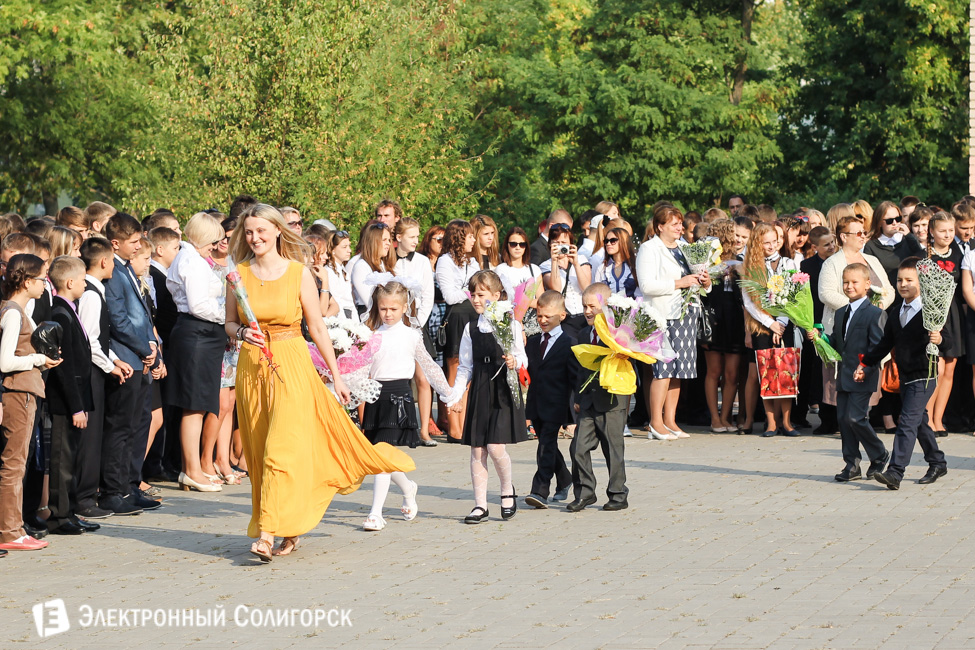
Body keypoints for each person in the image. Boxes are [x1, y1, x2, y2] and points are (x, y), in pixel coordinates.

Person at [224, 203, 415, 561]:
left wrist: (337, 376)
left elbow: (316, 328)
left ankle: (265, 535)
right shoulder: (239, 274)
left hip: (292, 364)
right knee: (260, 451)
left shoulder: (298, 273)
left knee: (281, 450)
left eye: (261, 231)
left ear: (278, 230)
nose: (255, 238)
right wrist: (240, 335)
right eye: (249, 232)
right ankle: (289, 526)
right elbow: (229, 324)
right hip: (253, 369)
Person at [360, 280, 454, 531]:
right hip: (375, 397)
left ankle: (375, 513)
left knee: (382, 456)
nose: (388, 314)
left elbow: (430, 367)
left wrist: (448, 394)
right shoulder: (371, 335)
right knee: (382, 456)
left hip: (399, 396)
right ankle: (408, 487)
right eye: (383, 309)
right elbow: (359, 367)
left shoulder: (412, 335)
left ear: (404, 307)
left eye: (393, 309)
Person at [856, 258, 950, 489]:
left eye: (909, 280)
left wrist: (940, 340)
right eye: (900, 280)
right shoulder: (896, 312)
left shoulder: (931, 311)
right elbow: (884, 344)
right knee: (918, 423)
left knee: (907, 421)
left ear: (922, 282)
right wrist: (865, 363)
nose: (903, 284)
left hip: (925, 375)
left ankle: (895, 472)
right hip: (906, 376)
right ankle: (937, 461)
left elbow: (948, 342)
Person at [449, 270, 527, 523]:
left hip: (502, 388)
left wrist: (515, 361)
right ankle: (480, 505)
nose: (476, 299)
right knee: (478, 449)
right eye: (473, 294)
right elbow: (465, 366)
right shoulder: (472, 327)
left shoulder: (510, 324)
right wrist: (456, 395)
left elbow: (522, 355)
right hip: (481, 388)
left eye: (481, 294)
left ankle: (507, 490)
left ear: (496, 295)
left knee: (495, 446)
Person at [0, 254, 60, 550]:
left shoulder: (20, 310)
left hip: (27, 391)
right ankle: (10, 532)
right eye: (40, 279)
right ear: (26, 281)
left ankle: (14, 527)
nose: (44, 284)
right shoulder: (13, 312)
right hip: (17, 394)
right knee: (14, 465)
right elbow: (5, 360)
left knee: (18, 464)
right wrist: (38, 359)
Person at [635, 204, 711, 439]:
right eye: (675, 224)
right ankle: (655, 422)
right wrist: (681, 283)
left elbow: (699, 284)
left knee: (680, 370)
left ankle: (670, 420)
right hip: (662, 315)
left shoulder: (686, 248)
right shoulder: (649, 249)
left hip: (686, 313)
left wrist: (706, 281)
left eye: (680, 223)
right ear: (660, 226)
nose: (680, 227)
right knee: (663, 370)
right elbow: (646, 285)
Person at [165, 213, 228, 492]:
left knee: (201, 403)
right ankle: (191, 469)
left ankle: (196, 468)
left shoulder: (195, 258)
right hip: (197, 333)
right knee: (194, 404)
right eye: (214, 241)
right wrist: (227, 317)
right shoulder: (190, 260)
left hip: (205, 335)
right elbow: (198, 305)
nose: (216, 246)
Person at [102, 213, 159, 515]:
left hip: (139, 357)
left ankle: (129, 485)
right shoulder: (114, 271)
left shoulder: (125, 268)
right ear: (116, 243)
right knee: (120, 428)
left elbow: (142, 316)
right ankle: (113, 490)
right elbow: (118, 319)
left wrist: (153, 349)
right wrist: (141, 347)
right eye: (134, 242)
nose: (138, 247)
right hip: (125, 356)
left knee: (137, 424)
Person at [819, 216, 895, 425]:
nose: (863, 237)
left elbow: (889, 290)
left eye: (864, 233)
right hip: (843, 327)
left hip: (871, 326)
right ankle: (843, 422)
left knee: (868, 368)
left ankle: (863, 418)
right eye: (858, 233)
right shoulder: (831, 263)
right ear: (843, 237)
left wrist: (876, 308)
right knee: (841, 376)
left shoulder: (872, 260)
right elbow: (826, 294)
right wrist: (856, 308)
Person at [76, 239, 132, 520]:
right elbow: (88, 342)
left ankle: (89, 494)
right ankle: (84, 498)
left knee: (97, 434)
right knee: (90, 437)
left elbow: (99, 339)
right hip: (91, 374)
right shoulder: (90, 295)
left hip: (101, 368)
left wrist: (115, 360)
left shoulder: (95, 292)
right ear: (103, 262)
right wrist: (109, 366)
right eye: (111, 259)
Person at [818, 263, 888, 482]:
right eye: (845, 282)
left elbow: (877, 347)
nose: (849, 286)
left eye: (854, 282)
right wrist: (821, 338)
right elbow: (839, 344)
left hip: (863, 375)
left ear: (867, 284)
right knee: (843, 420)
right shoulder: (840, 313)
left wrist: (865, 367)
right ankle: (852, 464)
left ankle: (879, 454)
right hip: (845, 374)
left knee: (856, 418)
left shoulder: (875, 313)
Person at [45, 256, 97, 535]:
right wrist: (77, 407)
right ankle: (58, 516)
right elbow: (65, 368)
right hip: (65, 403)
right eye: (82, 279)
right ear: (69, 282)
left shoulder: (69, 309)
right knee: (62, 460)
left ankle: (70, 512)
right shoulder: (59, 314)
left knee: (72, 458)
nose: (85, 283)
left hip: (75, 400)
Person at [567, 283, 628, 512]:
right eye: (584, 306)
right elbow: (580, 368)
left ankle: (618, 494)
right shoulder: (583, 333)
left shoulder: (619, 332)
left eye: (592, 306)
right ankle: (585, 492)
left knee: (613, 449)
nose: (587, 311)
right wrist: (577, 396)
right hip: (588, 401)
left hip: (612, 399)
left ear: (605, 306)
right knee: (578, 447)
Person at [740, 222, 799, 437]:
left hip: (784, 323)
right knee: (768, 373)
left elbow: (793, 295)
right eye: (767, 243)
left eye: (775, 241)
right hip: (762, 326)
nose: (772, 246)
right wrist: (770, 323)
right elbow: (749, 301)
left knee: (786, 373)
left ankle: (787, 421)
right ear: (757, 244)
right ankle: (771, 422)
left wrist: (781, 323)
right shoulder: (751, 268)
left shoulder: (788, 263)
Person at [523, 291, 575, 509]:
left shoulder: (570, 343)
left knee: (546, 446)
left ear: (562, 316)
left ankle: (540, 490)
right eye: (539, 315)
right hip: (536, 403)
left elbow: (574, 378)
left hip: (557, 404)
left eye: (548, 316)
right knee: (547, 443)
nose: (542, 320)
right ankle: (564, 478)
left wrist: (573, 413)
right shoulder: (533, 342)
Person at [391, 217, 438, 445]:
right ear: (398, 237)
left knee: (422, 378)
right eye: (411, 236)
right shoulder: (388, 259)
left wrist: (417, 322)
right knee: (396, 376)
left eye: (417, 237)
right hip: (392, 324)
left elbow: (428, 295)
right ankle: (398, 427)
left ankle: (425, 431)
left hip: (415, 324)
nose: (415, 241)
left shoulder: (421, 261)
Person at [436, 219, 478, 441]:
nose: (473, 240)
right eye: (470, 236)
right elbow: (450, 296)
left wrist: (470, 292)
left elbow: (482, 288)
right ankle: (454, 427)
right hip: (457, 318)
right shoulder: (444, 261)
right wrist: (471, 292)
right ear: (460, 237)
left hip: (473, 317)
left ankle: (466, 424)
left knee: (469, 373)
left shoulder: (473, 263)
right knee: (454, 372)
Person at [924, 211, 964, 435]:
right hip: (934, 316)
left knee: (950, 368)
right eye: (942, 231)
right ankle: (927, 418)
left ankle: (938, 420)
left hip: (954, 315)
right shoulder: (925, 255)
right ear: (932, 231)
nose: (948, 235)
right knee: (935, 370)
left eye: (951, 230)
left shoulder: (958, 252)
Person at [701, 219, 743, 433]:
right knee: (713, 371)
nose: (737, 238)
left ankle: (726, 417)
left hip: (735, 318)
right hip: (714, 317)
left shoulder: (741, 260)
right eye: (734, 234)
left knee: (732, 373)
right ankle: (715, 419)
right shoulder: (706, 260)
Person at [799, 227, 837, 434]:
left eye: (832, 242)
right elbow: (805, 297)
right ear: (814, 247)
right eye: (826, 244)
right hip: (814, 323)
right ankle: (812, 415)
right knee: (813, 371)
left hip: (834, 320)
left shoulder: (840, 261)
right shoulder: (807, 266)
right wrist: (809, 323)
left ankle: (834, 418)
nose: (831, 246)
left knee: (832, 371)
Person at [541, 222, 591, 335]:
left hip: (585, 316)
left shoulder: (581, 259)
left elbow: (586, 288)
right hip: (565, 319)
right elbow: (556, 290)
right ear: (550, 244)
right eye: (556, 243)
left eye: (563, 243)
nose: (560, 247)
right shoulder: (545, 266)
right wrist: (554, 262)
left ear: (571, 244)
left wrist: (576, 264)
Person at [494, 226, 542, 336]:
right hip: (510, 320)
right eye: (513, 244)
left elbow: (541, 300)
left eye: (522, 244)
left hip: (533, 323)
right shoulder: (501, 269)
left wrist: (524, 302)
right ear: (507, 245)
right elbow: (502, 299)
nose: (518, 247)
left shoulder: (534, 269)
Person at [863, 201, 923, 287]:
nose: (895, 223)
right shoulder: (871, 246)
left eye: (898, 219)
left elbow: (921, 257)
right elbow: (869, 275)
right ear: (880, 222)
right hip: (887, 293)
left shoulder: (907, 239)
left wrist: (909, 236)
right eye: (889, 221)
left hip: (911, 292)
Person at [350, 223, 396, 320]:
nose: (388, 243)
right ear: (373, 241)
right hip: (371, 317)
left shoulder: (383, 264)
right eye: (384, 240)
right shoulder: (361, 266)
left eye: (389, 240)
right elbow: (369, 300)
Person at [324, 230, 354, 319]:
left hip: (349, 317)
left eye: (349, 246)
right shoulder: (329, 271)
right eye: (344, 247)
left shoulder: (344, 271)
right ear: (333, 250)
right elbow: (337, 301)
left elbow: (350, 302)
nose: (349, 250)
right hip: (340, 318)